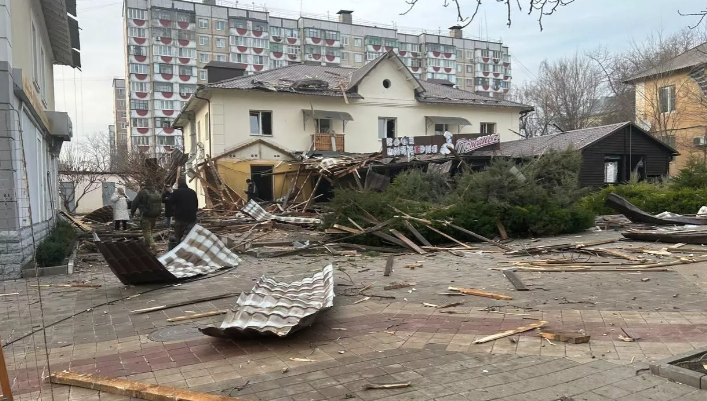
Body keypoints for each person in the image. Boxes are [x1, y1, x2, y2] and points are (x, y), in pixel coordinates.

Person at [130, 179, 162, 251]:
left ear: (145, 185)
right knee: (150, 230)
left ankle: (154, 246)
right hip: (155, 215)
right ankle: (147, 247)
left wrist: (132, 212)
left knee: (146, 231)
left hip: (146, 215)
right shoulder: (156, 192)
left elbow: (134, 203)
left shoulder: (142, 192)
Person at [169, 177, 198, 245]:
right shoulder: (192, 192)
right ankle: (190, 251)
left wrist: (173, 213)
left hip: (180, 218)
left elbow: (170, 203)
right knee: (190, 237)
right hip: (191, 218)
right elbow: (196, 204)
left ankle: (178, 250)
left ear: (178, 183)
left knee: (178, 236)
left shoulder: (176, 192)